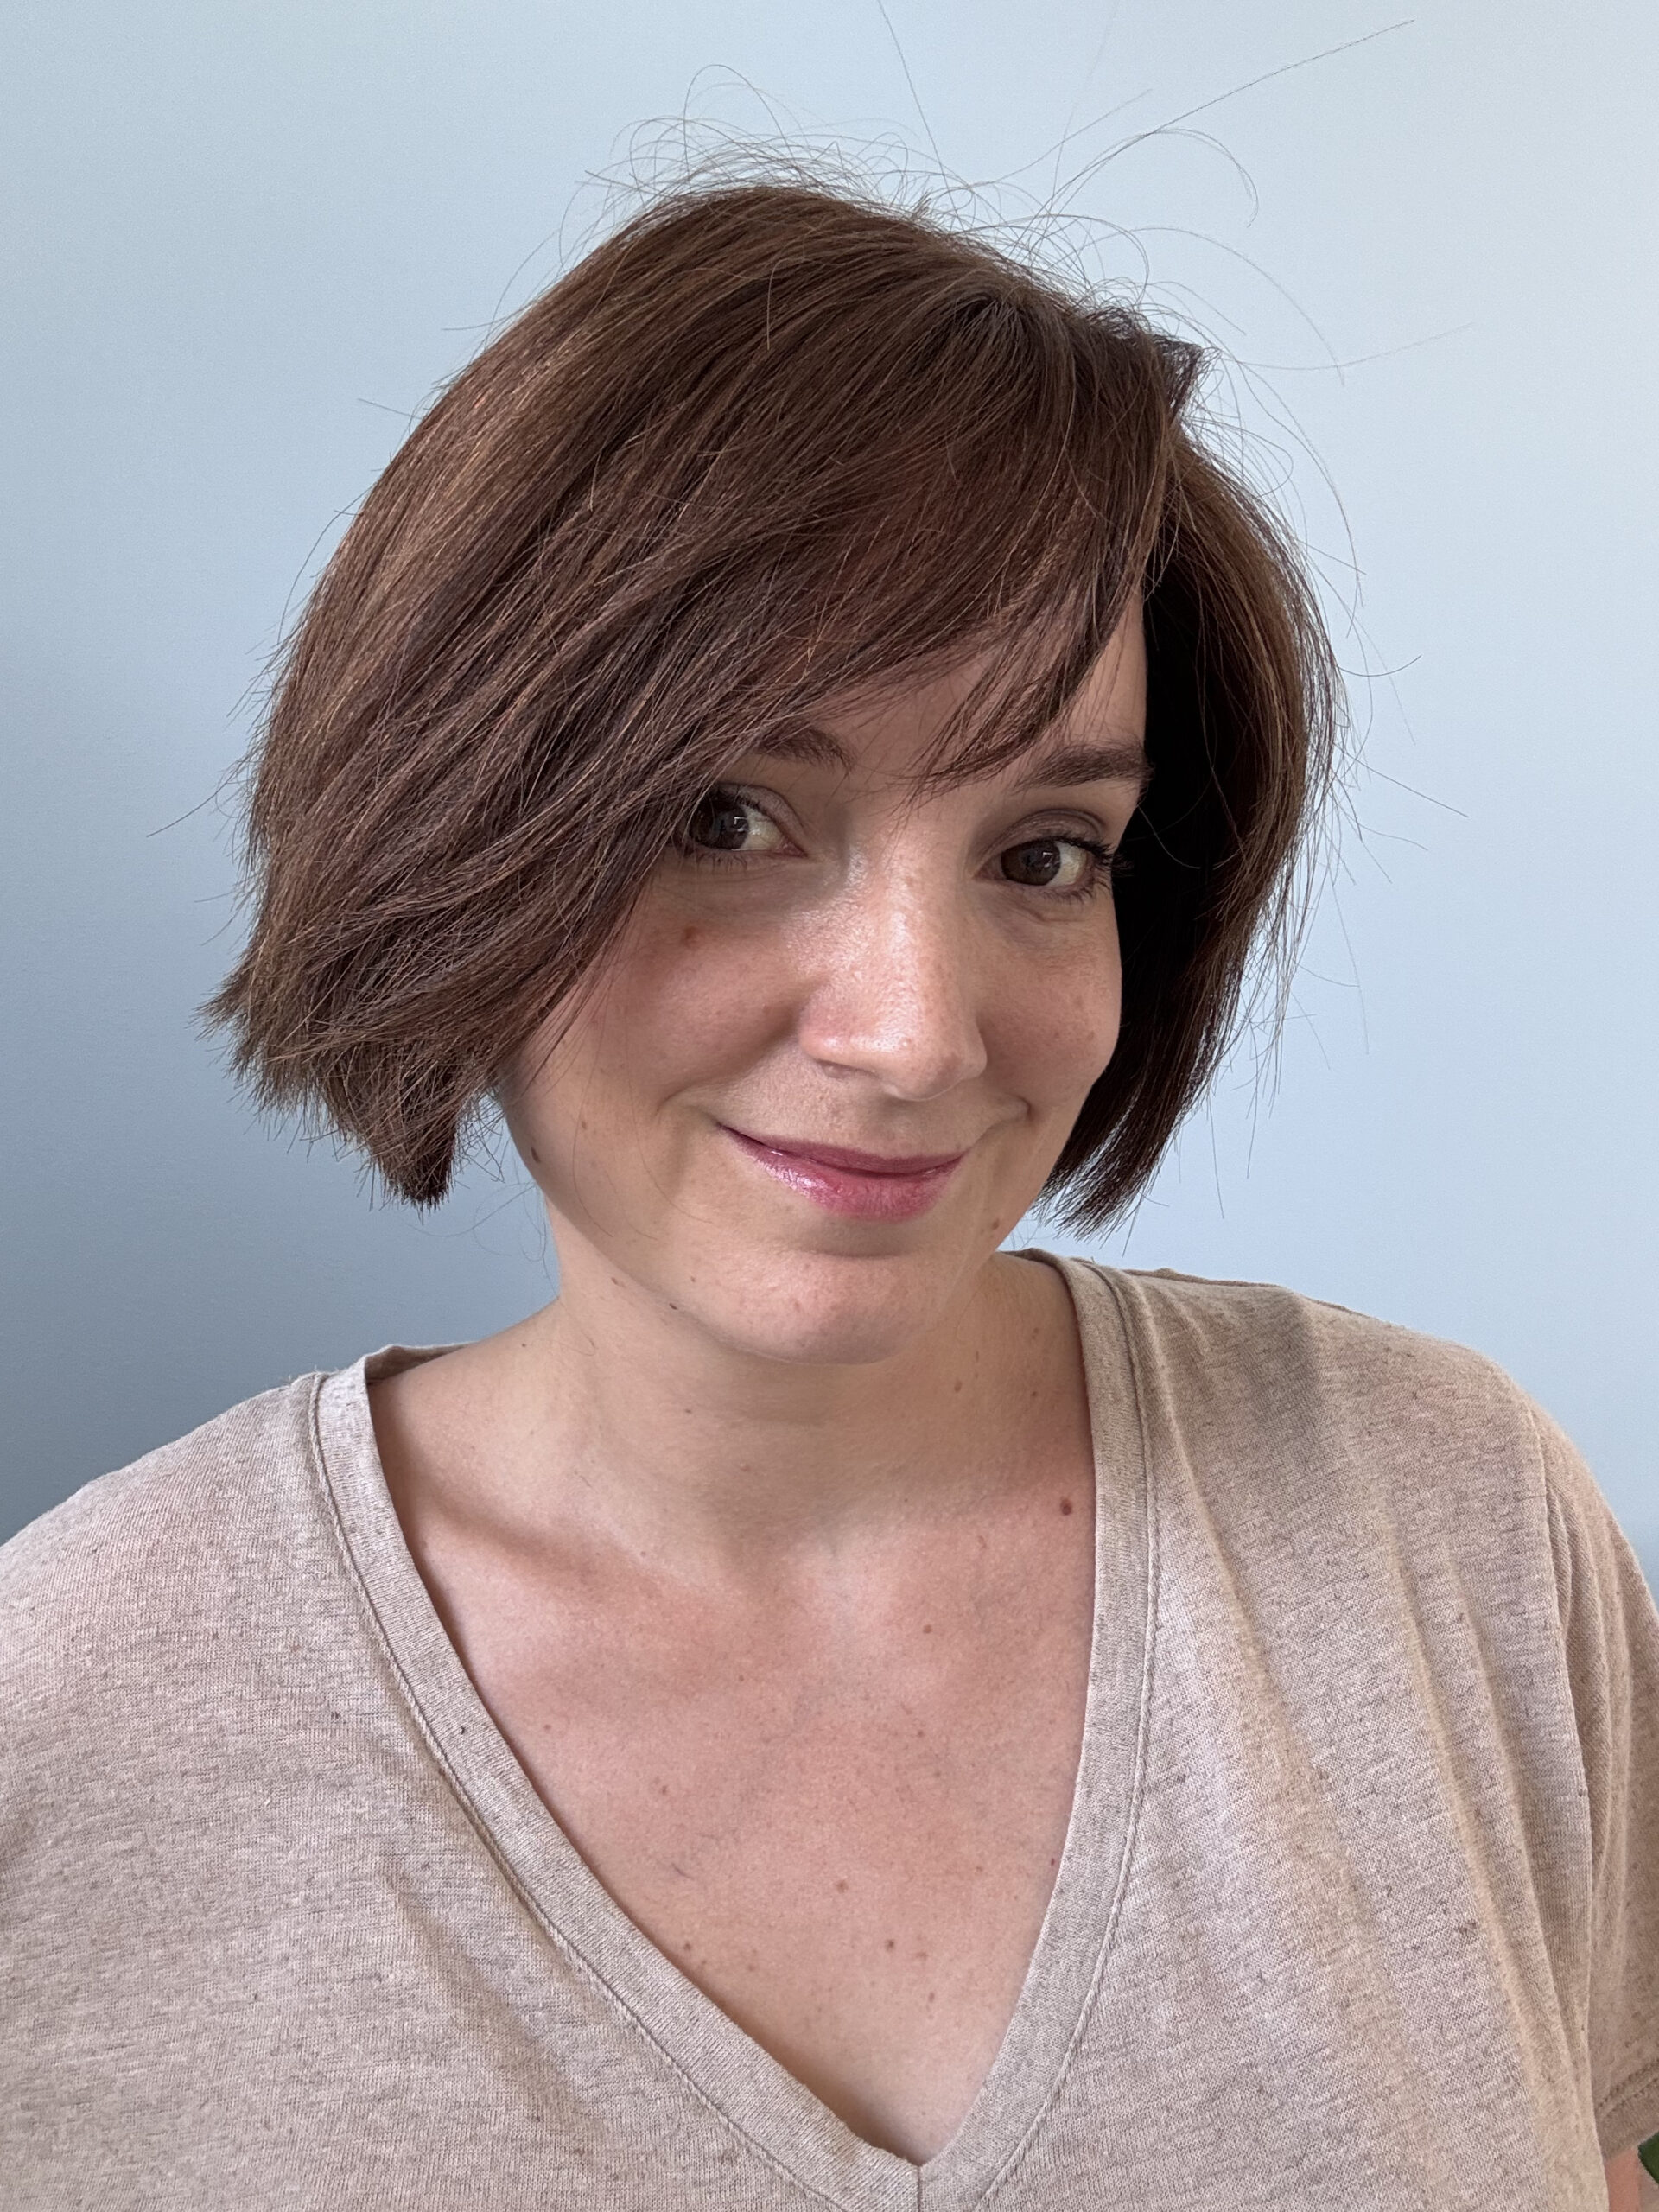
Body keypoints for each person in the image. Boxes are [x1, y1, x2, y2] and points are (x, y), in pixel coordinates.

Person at [2, 175, 1654, 2212]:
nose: (914, 1030)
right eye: (731, 815)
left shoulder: (1452, 1525)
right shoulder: (69, 1718)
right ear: (456, 818)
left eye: (1044, 851)